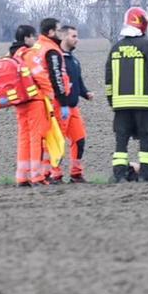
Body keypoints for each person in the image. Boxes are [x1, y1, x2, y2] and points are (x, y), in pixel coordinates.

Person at [106, 7, 148, 182]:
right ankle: (145, 176)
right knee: (145, 140)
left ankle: (119, 176)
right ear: (142, 24)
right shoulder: (147, 46)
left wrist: (112, 101)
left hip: (120, 106)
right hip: (144, 104)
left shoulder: (116, 48)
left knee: (121, 142)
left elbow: (108, 78)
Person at [34, 18, 73, 183]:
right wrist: (63, 102)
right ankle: (53, 173)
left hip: (40, 99)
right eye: (58, 30)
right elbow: (56, 77)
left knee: (44, 138)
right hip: (54, 100)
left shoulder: (38, 46)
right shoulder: (51, 50)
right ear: (50, 32)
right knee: (56, 137)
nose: (61, 33)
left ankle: (44, 173)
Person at [8, 25, 47, 186]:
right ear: (26, 38)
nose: (36, 40)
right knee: (36, 138)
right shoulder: (29, 54)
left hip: (19, 102)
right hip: (34, 100)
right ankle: (37, 176)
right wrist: (50, 95)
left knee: (23, 138)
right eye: (33, 37)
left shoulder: (12, 55)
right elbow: (41, 76)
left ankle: (22, 176)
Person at [57, 24, 94, 183]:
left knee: (79, 140)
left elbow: (78, 82)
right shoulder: (56, 58)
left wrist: (86, 94)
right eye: (73, 36)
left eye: (76, 36)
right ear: (64, 37)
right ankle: (54, 174)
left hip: (73, 108)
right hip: (60, 107)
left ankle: (76, 174)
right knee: (57, 143)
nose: (77, 40)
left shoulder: (74, 60)